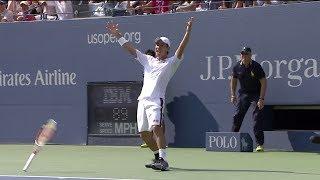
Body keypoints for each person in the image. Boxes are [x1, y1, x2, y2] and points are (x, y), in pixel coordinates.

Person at [106, 17, 194, 171]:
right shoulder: (148, 60)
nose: (158, 47)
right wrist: (118, 35)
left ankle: (163, 160)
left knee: (156, 129)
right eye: (156, 45)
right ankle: (157, 156)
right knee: (144, 134)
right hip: (143, 100)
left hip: (156, 100)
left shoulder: (172, 62)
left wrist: (187, 33)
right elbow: (130, 49)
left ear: (167, 48)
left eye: (161, 45)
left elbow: (181, 48)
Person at [230, 47, 267, 152]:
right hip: (244, 94)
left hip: (256, 94)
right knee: (237, 116)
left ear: (250, 55)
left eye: (246, 54)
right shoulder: (237, 67)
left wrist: (261, 98)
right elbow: (233, 80)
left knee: (257, 117)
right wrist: (233, 95)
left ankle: (260, 144)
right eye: (242, 54)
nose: (243, 56)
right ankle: (231, 140)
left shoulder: (256, 66)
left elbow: (263, 82)